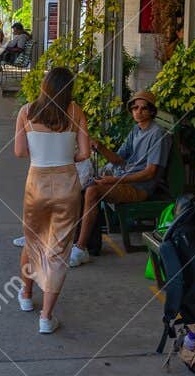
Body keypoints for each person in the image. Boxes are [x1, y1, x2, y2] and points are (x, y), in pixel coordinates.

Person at [13, 66, 91, 335]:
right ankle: (46, 317)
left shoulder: (26, 111)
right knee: (58, 250)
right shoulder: (75, 111)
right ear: (69, 88)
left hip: (36, 183)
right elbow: (86, 152)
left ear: (44, 85)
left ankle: (25, 294)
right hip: (67, 185)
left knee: (32, 239)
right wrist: (67, 158)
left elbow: (19, 152)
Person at [71, 89, 171, 264]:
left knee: (93, 191)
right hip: (123, 178)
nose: (138, 112)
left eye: (143, 108)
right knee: (82, 186)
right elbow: (118, 159)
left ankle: (80, 248)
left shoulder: (157, 134)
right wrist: (100, 146)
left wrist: (115, 180)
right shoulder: (136, 129)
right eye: (135, 108)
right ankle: (77, 243)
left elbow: (150, 173)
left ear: (152, 111)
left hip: (139, 188)